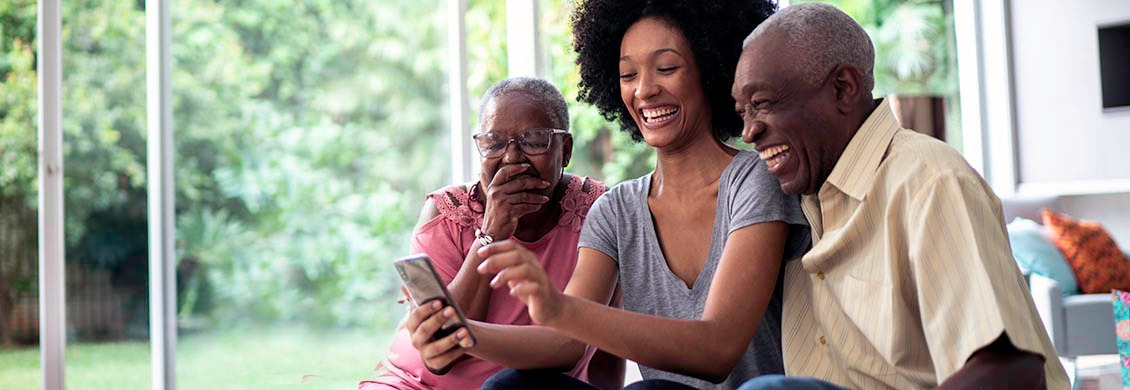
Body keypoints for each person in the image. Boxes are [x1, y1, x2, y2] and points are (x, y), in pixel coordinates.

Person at [730, 3, 1069, 389]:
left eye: (763, 104)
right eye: (742, 112)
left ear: (843, 88)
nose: (749, 132)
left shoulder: (928, 181)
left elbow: (1010, 369)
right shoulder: (796, 201)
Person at [473, 1, 810, 388]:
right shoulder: (616, 211)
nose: (644, 90)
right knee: (510, 387)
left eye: (666, 68)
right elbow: (564, 344)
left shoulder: (754, 182)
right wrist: (462, 333)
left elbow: (718, 348)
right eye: (628, 74)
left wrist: (560, 307)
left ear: (711, 69)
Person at [361, 77, 613, 389]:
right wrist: (491, 233)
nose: (511, 157)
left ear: (566, 149)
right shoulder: (446, 212)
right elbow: (441, 354)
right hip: (416, 383)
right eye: (493, 144)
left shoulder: (598, 212)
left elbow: (595, 345)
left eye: (533, 141)